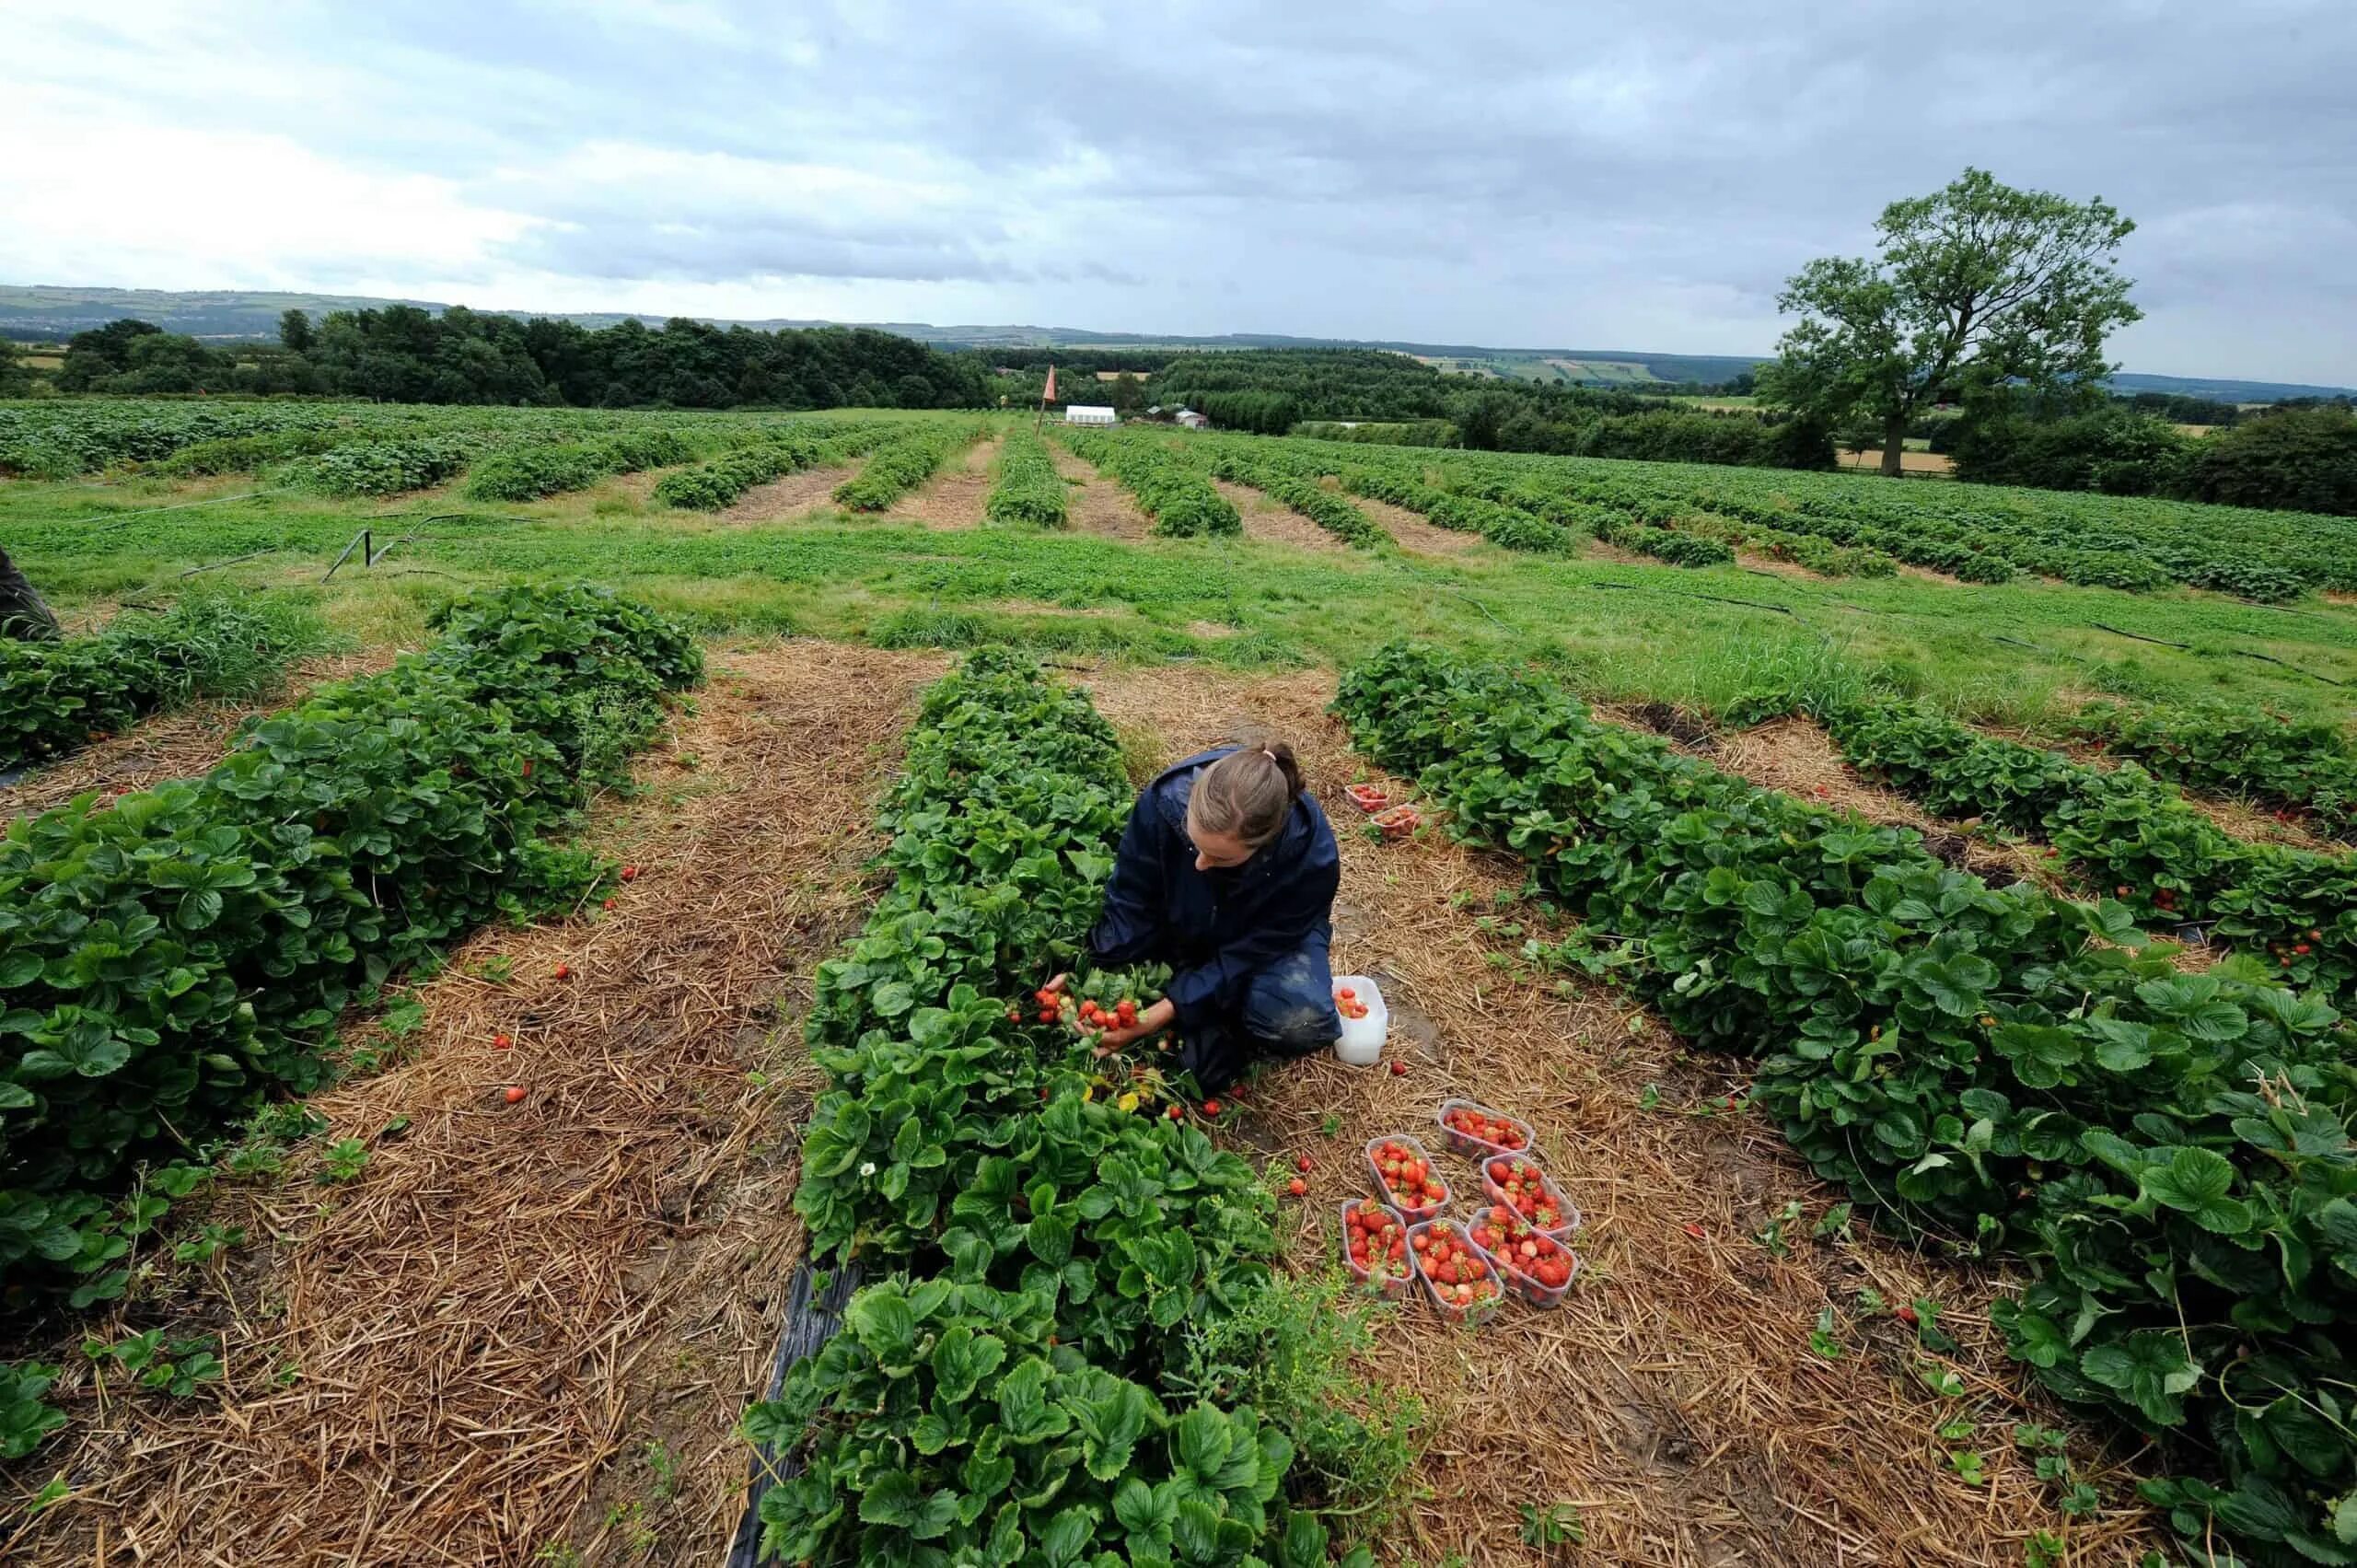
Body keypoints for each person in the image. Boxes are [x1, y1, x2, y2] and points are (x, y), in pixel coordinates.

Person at [1065, 739, 1341, 1093]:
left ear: (1264, 845)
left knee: (1296, 1020)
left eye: (1220, 859)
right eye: (1194, 845)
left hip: (1264, 934)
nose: (1199, 864)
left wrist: (1164, 1011)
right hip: (1191, 913)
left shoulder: (1310, 860)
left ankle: (1225, 1016)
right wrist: (1091, 964)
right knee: (1154, 966)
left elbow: (1254, 951)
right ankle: (1201, 997)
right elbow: (1132, 894)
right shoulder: (1164, 803)